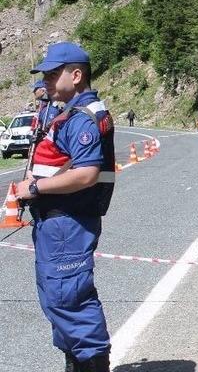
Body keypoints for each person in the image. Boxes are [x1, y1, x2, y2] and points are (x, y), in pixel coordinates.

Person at [15, 42, 115, 372]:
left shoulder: (82, 118)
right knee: (58, 299)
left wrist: (35, 187)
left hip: (67, 223)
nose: (45, 79)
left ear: (76, 75)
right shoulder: (68, 113)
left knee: (69, 299)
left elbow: (85, 174)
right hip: (57, 221)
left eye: (52, 73)